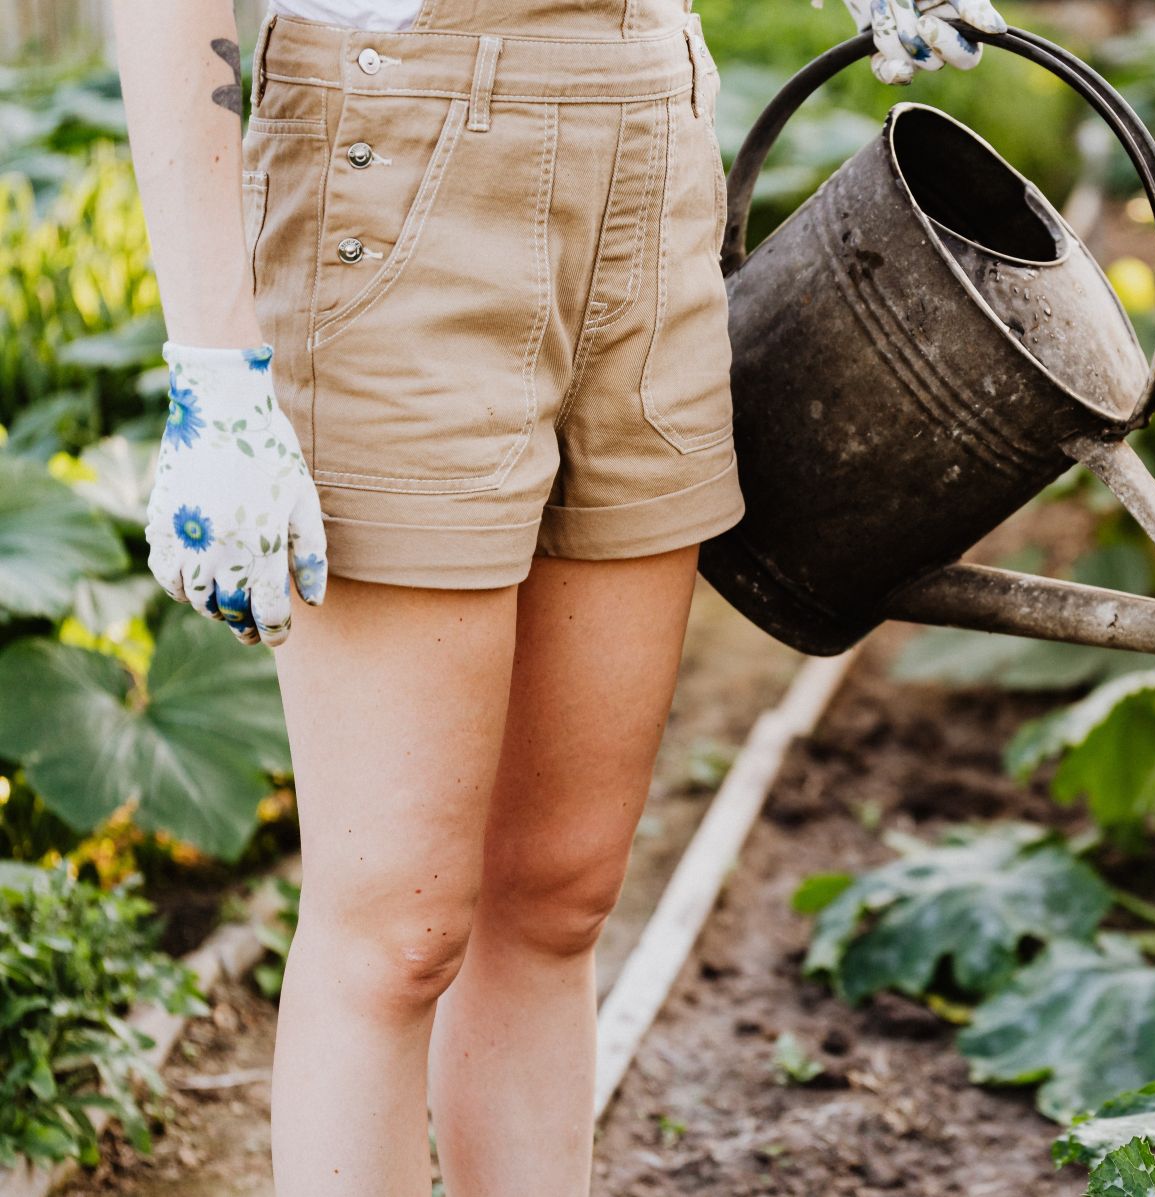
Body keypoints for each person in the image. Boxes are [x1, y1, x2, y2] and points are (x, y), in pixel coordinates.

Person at [109, 0, 1002, 1190]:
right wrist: (214, 368)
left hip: (649, 136)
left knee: (560, 895)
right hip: (398, 161)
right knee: (399, 932)